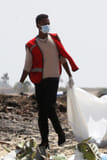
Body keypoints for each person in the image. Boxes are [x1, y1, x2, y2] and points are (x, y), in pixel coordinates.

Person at [18, 13, 78, 152]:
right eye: (44, 24)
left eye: (48, 23)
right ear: (37, 25)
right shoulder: (31, 45)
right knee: (47, 109)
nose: (47, 26)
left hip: (53, 79)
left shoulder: (55, 39)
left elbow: (63, 58)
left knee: (45, 110)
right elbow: (28, 65)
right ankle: (58, 134)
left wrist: (69, 75)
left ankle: (45, 141)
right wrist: (21, 81)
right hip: (39, 81)